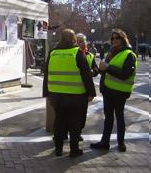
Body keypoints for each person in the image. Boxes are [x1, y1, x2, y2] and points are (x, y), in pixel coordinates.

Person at [43, 29, 96, 157]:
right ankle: (74, 150)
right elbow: (86, 75)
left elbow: (46, 73)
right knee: (74, 124)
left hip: (57, 96)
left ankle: (58, 149)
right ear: (73, 39)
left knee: (59, 122)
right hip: (76, 95)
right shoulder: (77, 52)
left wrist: (47, 93)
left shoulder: (53, 53)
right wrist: (91, 93)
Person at [90, 28, 137, 152]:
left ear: (123, 39)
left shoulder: (129, 54)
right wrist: (94, 71)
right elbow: (102, 69)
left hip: (120, 92)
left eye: (117, 38)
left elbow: (125, 74)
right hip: (107, 90)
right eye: (113, 38)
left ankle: (121, 143)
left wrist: (108, 67)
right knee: (108, 117)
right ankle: (105, 142)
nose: (114, 40)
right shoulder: (110, 52)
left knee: (119, 117)